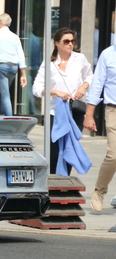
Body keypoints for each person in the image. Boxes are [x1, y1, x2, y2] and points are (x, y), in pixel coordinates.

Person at [33, 28, 93, 175]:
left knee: (70, 147)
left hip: (74, 111)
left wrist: (83, 87)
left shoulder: (80, 59)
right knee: (54, 149)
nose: (70, 44)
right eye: (66, 41)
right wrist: (55, 92)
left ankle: (65, 182)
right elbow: (36, 88)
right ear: (57, 43)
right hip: (55, 112)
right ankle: (54, 180)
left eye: (73, 41)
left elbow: (90, 77)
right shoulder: (49, 63)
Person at [84, 43, 116, 212]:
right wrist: (89, 115)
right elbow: (97, 85)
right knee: (114, 155)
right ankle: (99, 190)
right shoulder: (108, 55)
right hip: (113, 110)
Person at [0, 13, 27, 116]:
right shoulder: (15, 37)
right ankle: (1, 115)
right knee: (4, 91)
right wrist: (23, 74)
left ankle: (9, 119)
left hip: (2, 66)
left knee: (5, 94)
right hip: (13, 66)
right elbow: (21, 55)